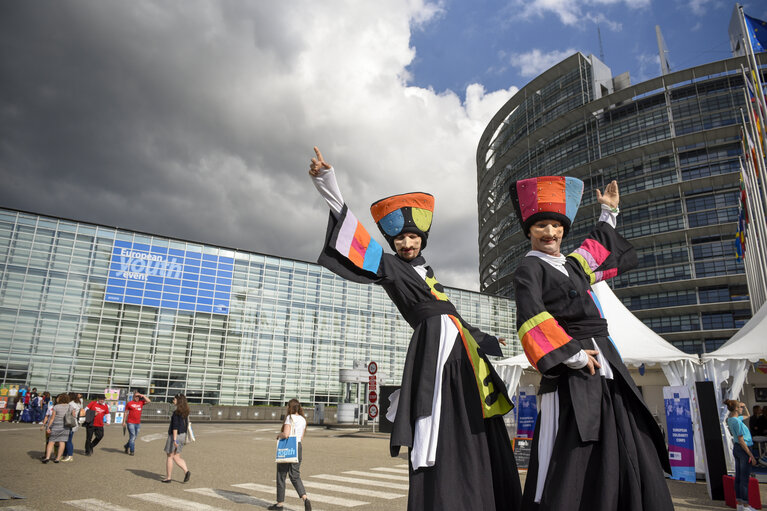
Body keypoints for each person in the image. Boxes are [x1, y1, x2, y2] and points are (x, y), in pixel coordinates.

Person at [308, 147, 521, 510]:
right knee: (436, 421)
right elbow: (353, 236)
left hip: (461, 354)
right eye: (399, 239)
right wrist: (327, 182)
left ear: (423, 238)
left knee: (475, 422)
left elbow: (452, 315)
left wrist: (483, 338)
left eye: (412, 237)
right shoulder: (392, 268)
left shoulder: (430, 273)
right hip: (433, 354)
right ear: (392, 244)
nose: (406, 243)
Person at [510, 177, 673, 511]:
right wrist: (573, 355)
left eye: (556, 227)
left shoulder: (571, 264)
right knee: (567, 443)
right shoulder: (529, 268)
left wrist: (608, 211)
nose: (550, 233)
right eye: (542, 226)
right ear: (529, 231)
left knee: (620, 430)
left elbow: (596, 249)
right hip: (572, 364)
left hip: (604, 356)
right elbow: (531, 319)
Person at [268, 399, 311, 511]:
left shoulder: (289, 418)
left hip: (288, 447)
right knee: (295, 475)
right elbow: (300, 437)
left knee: (281, 475)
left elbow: (286, 434)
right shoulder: (303, 419)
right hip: (298, 447)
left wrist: (279, 435)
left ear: (289, 407)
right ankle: (305, 498)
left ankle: (280, 504)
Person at [725, 400, 757, 511]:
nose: (742, 408)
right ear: (736, 409)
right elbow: (741, 440)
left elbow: (747, 415)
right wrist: (751, 455)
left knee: (738, 477)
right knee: (744, 479)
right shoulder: (737, 422)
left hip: (737, 449)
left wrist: (744, 405)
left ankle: (739, 504)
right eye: (740, 407)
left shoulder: (731, 419)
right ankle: (746, 506)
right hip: (743, 449)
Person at [162, 394, 191, 483]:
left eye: (174, 399)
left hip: (176, 436)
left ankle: (168, 477)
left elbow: (175, 427)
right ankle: (186, 471)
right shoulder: (185, 412)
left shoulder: (176, 413)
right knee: (176, 456)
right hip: (183, 435)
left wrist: (174, 439)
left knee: (170, 456)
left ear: (178, 401)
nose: (173, 400)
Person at [41, 393, 71, 463]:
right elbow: (74, 415)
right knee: (62, 442)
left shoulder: (56, 407)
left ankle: (47, 457)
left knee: (51, 441)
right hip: (66, 426)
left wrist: (48, 427)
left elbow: (52, 418)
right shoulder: (70, 407)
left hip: (56, 425)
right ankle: (57, 458)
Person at [124, 391, 150, 455]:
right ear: (133, 396)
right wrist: (124, 421)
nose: (137, 398)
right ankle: (132, 451)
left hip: (138, 423)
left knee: (134, 437)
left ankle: (126, 446)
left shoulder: (141, 402)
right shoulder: (129, 403)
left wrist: (142, 395)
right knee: (132, 436)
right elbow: (126, 412)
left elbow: (149, 401)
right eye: (136, 396)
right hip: (130, 422)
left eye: (138, 396)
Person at [62, 392, 82, 462]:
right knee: (67, 440)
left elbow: (70, 414)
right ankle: (64, 455)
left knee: (68, 440)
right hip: (74, 422)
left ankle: (70, 455)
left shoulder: (70, 404)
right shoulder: (78, 403)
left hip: (70, 422)